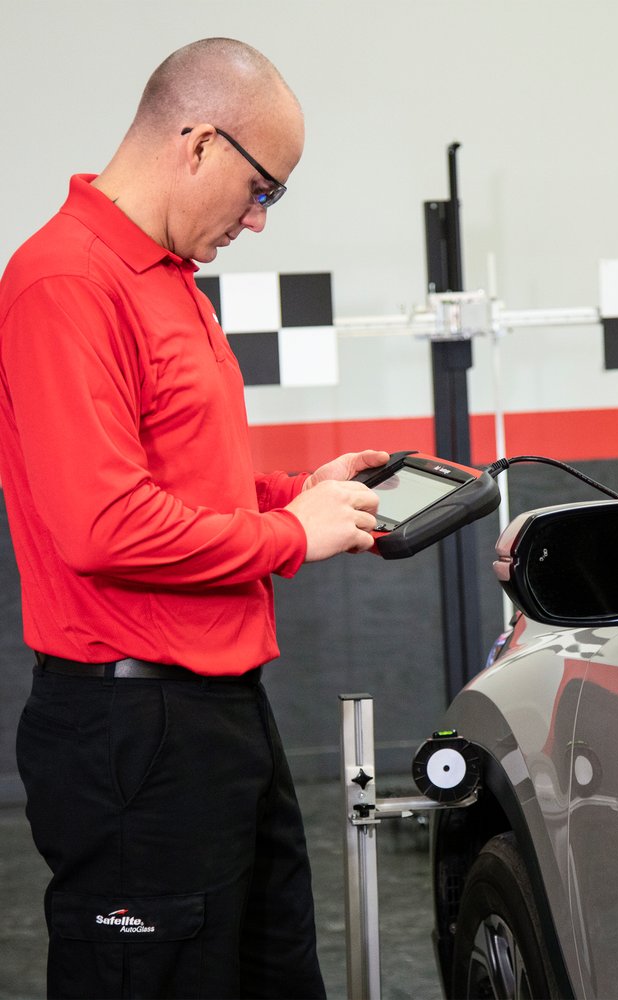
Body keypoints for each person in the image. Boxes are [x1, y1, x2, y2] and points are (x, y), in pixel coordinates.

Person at [0, 38, 387, 999]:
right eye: (263, 189)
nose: (258, 219)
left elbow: (178, 486)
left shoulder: (165, 278)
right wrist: (293, 536)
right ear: (201, 142)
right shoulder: (64, 281)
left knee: (272, 973)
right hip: (133, 728)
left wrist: (296, 494)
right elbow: (103, 524)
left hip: (217, 713)